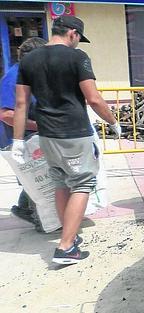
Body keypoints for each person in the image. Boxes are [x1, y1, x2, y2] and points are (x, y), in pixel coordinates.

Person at [12, 16, 121, 265]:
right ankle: (66, 247)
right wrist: (113, 122)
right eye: (79, 39)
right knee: (83, 183)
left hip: (47, 134)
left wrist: (18, 141)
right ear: (72, 33)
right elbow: (93, 98)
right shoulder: (77, 58)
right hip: (74, 133)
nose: (78, 43)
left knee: (61, 182)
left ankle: (67, 235)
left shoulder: (29, 59)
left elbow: (21, 103)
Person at [0, 37, 46, 226]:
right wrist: (38, 125)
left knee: (36, 176)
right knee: (31, 176)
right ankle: (40, 218)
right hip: (16, 138)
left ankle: (26, 208)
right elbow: (6, 115)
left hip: (30, 135)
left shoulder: (32, 74)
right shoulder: (13, 77)